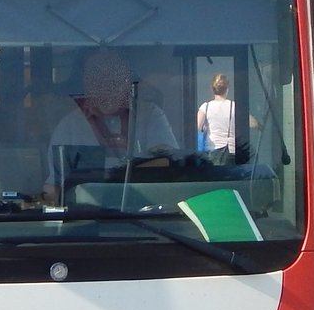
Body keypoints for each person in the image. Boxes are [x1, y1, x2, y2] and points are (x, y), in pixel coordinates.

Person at [43, 48, 178, 202]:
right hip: (85, 216)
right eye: (98, 78)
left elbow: (166, 163)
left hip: (144, 210)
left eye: (113, 77)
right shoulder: (69, 126)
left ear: (128, 81)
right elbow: (54, 186)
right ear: (86, 83)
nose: (106, 85)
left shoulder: (150, 115)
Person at [196, 73, 249, 164]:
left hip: (212, 152)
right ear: (227, 89)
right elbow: (251, 122)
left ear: (211, 89)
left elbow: (197, 127)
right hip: (231, 152)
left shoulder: (205, 107)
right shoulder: (234, 106)